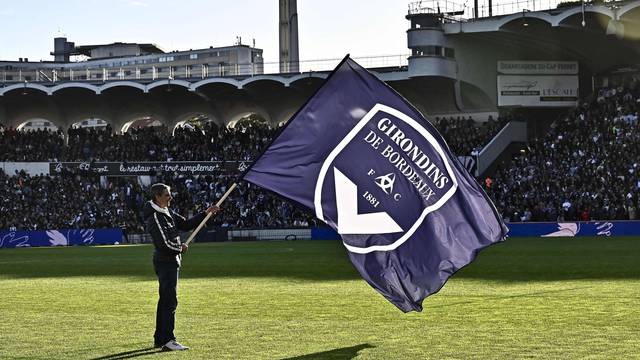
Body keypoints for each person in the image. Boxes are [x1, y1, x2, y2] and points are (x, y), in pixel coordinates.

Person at [143, 183, 220, 351]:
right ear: (158, 197)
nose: (170, 198)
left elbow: (185, 224)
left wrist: (205, 213)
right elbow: (163, 243)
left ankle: (160, 339)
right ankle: (169, 340)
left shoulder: (166, 211)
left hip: (170, 261)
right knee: (169, 301)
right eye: (167, 195)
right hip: (165, 261)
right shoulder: (155, 216)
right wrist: (180, 248)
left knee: (165, 300)